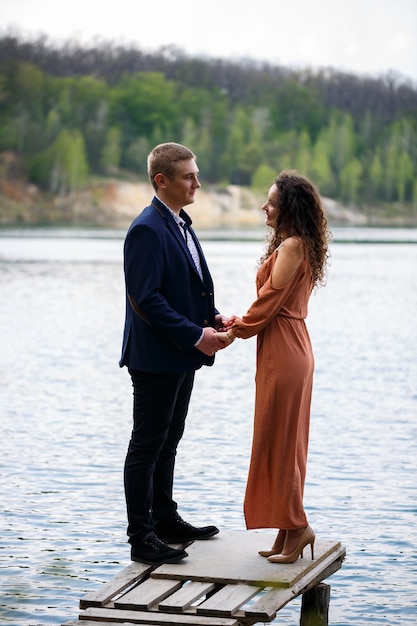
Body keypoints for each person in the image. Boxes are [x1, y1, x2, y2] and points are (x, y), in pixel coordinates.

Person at [120, 142, 229, 565]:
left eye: (196, 174)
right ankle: (141, 537)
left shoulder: (181, 223)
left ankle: (165, 519)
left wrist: (213, 319)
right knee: (147, 445)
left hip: (180, 353)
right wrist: (194, 335)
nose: (197, 183)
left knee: (169, 441)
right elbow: (145, 299)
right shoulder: (147, 228)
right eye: (188, 176)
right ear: (160, 180)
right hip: (155, 357)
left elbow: (187, 287)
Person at [218, 169, 330, 564]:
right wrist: (240, 321)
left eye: (271, 202)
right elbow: (271, 303)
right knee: (280, 440)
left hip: (285, 351)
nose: (264, 208)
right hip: (283, 347)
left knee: (282, 442)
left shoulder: (292, 247)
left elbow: (270, 301)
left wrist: (237, 331)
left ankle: (298, 527)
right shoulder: (294, 245)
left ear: (288, 208)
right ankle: (288, 529)